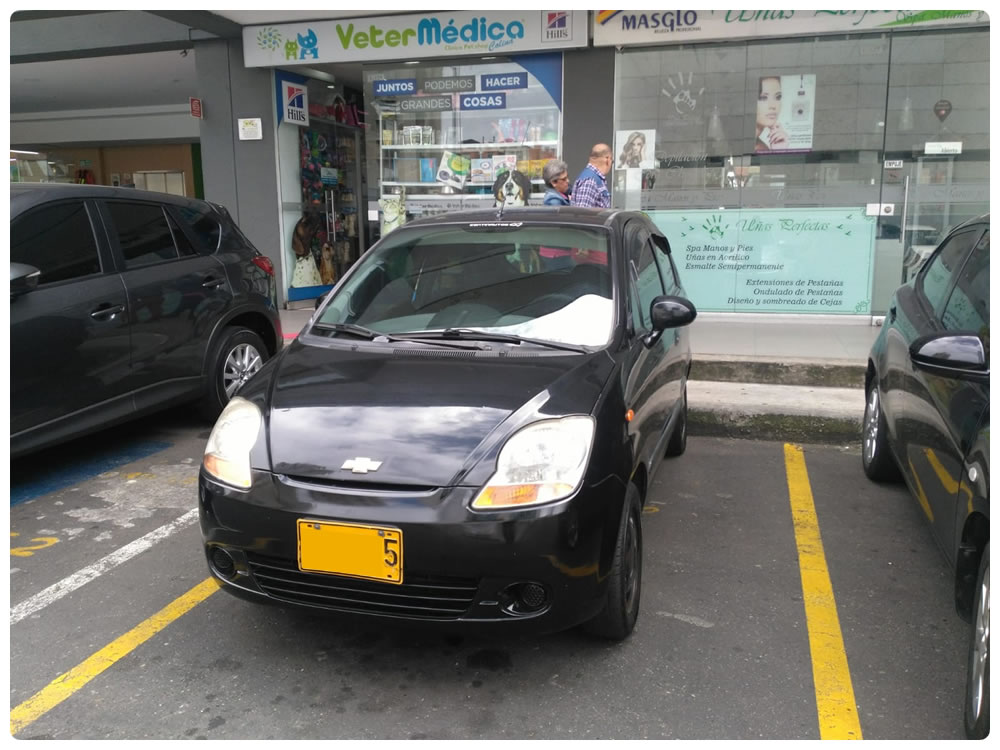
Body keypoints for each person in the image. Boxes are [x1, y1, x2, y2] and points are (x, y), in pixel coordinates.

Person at [570, 144, 612, 209]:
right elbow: (582, 214)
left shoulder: (593, 178)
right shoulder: (590, 181)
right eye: (612, 161)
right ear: (608, 159)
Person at [755, 76, 789, 152]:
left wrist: (779, 151)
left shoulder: (762, 148)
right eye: (763, 98)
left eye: (778, 97)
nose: (773, 106)